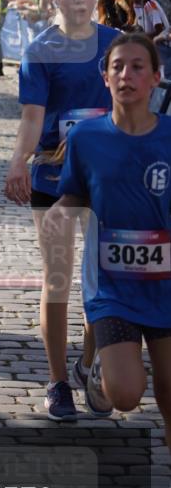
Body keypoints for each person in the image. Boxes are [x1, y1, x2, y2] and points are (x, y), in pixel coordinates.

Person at [4, 0, 119, 421]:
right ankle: (56, 383)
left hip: (106, 182)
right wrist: (18, 163)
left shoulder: (116, 45)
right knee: (58, 279)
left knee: (101, 284)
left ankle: (89, 363)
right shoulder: (41, 51)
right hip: (53, 179)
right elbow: (32, 117)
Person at [47, 34, 171, 448]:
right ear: (105, 77)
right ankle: (100, 369)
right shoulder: (86, 137)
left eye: (138, 67)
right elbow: (75, 193)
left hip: (166, 287)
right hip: (112, 287)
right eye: (117, 66)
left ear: (156, 77)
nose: (126, 75)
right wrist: (60, 212)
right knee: (127, 395)